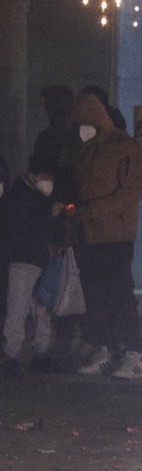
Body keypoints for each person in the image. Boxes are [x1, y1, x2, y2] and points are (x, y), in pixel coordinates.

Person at [73, 91, 142, 379]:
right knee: (97, 294)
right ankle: (105, 348)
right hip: (91, 234)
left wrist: (90, 212)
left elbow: (130, 193)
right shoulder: (87, 149)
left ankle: (132, 352)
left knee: (118, 293)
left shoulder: (123, 147)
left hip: (115, 234)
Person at [1, 152, 64, 377]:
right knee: (18, 308)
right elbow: (23, 226)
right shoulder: (20, 194)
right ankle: (12, 354)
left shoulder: (38, 194)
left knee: (42, 308)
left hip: (42, 260)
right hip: (23, 259)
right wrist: (50, 215)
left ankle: (41, 352)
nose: (49, 181)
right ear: (35, 174)